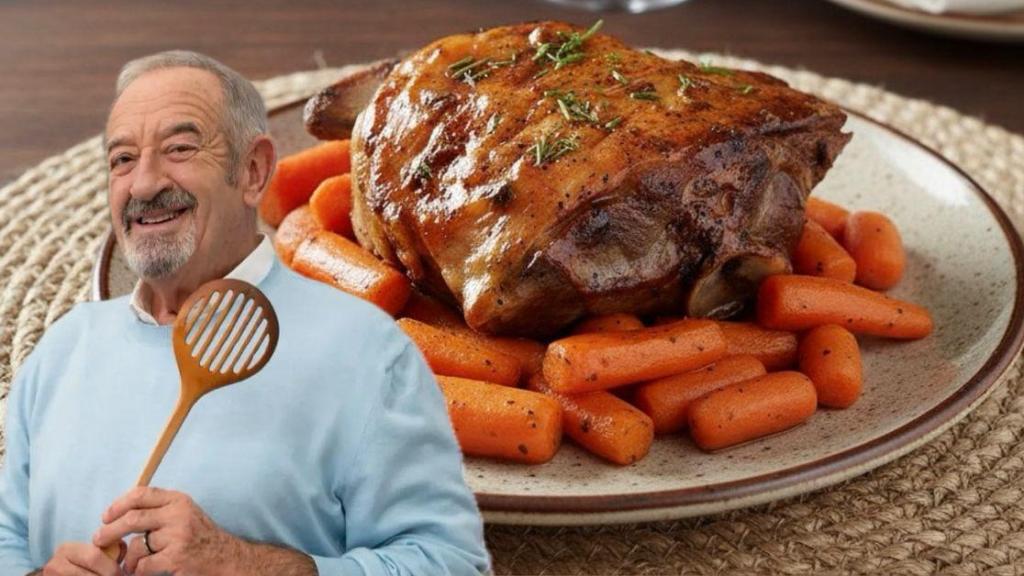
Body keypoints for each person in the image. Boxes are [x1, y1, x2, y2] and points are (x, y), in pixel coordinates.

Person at [0, 50, 491, 576]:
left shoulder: (367, 352)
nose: (142, 184)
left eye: (179, 148)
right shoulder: (64, 346)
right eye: (122, 159)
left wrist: (242, 563)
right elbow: (9, 538)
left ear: (253, 171)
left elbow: (449, 563)